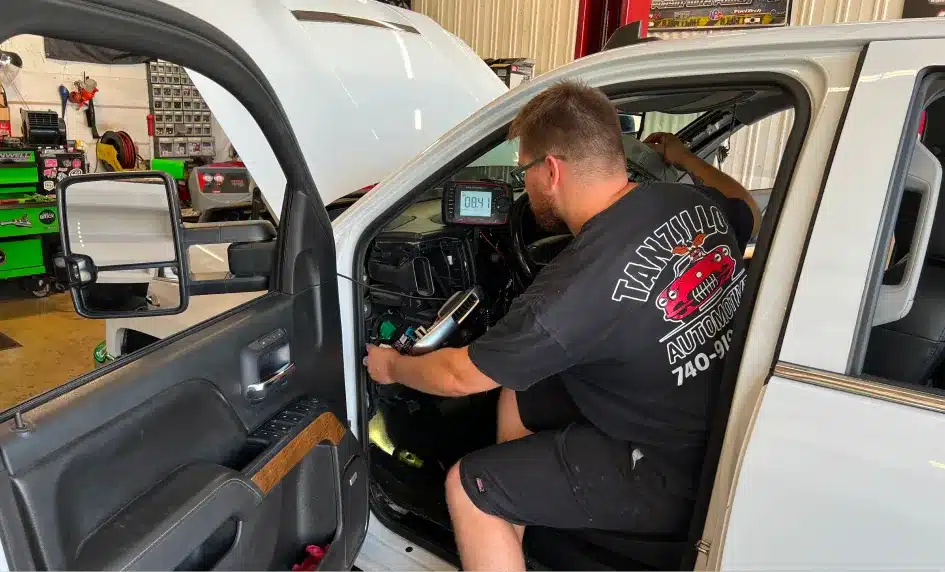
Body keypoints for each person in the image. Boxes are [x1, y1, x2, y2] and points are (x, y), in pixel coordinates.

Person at [364, 80, 759, 572]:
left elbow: (459, 377)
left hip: (667, 468)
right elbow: (746, 204)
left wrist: (392, 366)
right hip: (708, 407)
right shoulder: (688, 203)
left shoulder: (576, 285)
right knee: (520, 391)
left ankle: (494, 504)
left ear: (550, 171)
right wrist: (685, 158)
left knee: (466, 487)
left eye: (523, 171)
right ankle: (517, 520)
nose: (523, 184)